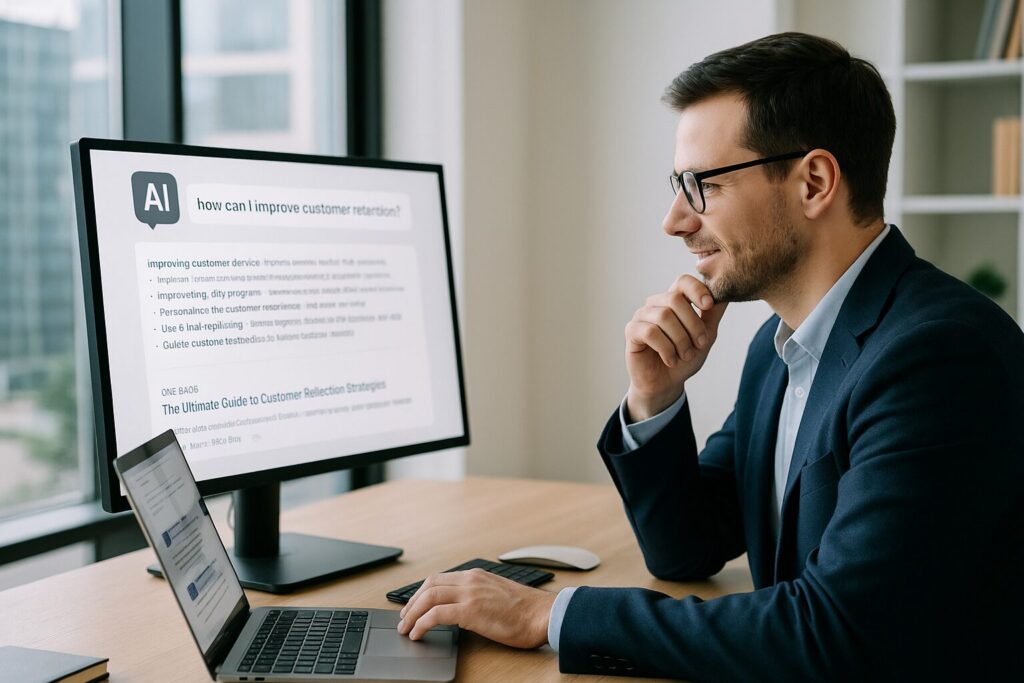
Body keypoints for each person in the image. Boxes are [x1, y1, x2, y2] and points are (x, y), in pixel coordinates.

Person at [395, 32, 1024, 681]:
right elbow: (687, 546)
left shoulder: (938, 358)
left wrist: (552, 615)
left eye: (701, 185)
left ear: (813, 181)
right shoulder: (781, 345)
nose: (674, 219)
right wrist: (655, 397)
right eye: (678, 184)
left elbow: (836, 633)